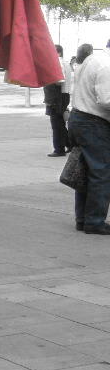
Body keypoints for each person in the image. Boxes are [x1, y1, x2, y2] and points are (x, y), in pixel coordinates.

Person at [68, 40, 110, 234]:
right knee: (101, 172)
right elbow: (106, 100)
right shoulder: (106, 65)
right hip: (93, 122)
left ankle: (83, 218)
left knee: (86, 170)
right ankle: (94, 221)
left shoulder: (92, 59)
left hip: (80, 118)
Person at [43, 45, 72, 157]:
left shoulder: (58, 62)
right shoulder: (63, 62)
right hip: (61, 96)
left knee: (57, 125)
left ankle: (59, 149)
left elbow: (59, 81)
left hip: (57, 96)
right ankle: (70, 144)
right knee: (59, 123)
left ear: (58, 53)